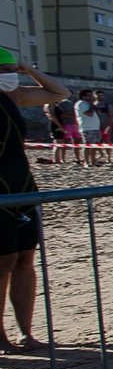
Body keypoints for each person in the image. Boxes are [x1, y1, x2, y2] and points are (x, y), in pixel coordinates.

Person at [0, 47, 69, 353]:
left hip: (23, 185)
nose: (9, 77)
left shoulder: (16, 95)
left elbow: (59, 92)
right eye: (4, 72)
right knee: (3, 262)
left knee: (26, 259)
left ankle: (26, 332)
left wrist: (29, 70)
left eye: (11, 71)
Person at [73, 89, 103, 165]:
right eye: (89, 96)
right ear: (83, 96)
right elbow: (89, 113)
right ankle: (86, 162)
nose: (91, 97)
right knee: (87, 146)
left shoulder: (88, 104)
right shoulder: (80, 104)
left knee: (95, 146)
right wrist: (92, 105)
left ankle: (93, 161)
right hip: (87, 128)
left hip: (95, 127)